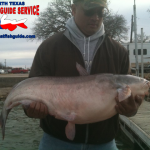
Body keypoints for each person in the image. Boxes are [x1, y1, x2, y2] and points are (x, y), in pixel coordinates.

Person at [24, 0, 143, 149]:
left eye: (100, 12)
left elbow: (130, 99)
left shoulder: (119, 51)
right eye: (89, 11)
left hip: (104, 142)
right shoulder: (49, 47)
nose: (95, 17)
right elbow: (30, 90)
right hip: (55, 141)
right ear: (73, 9)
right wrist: (31, 110)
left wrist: (131, 108)